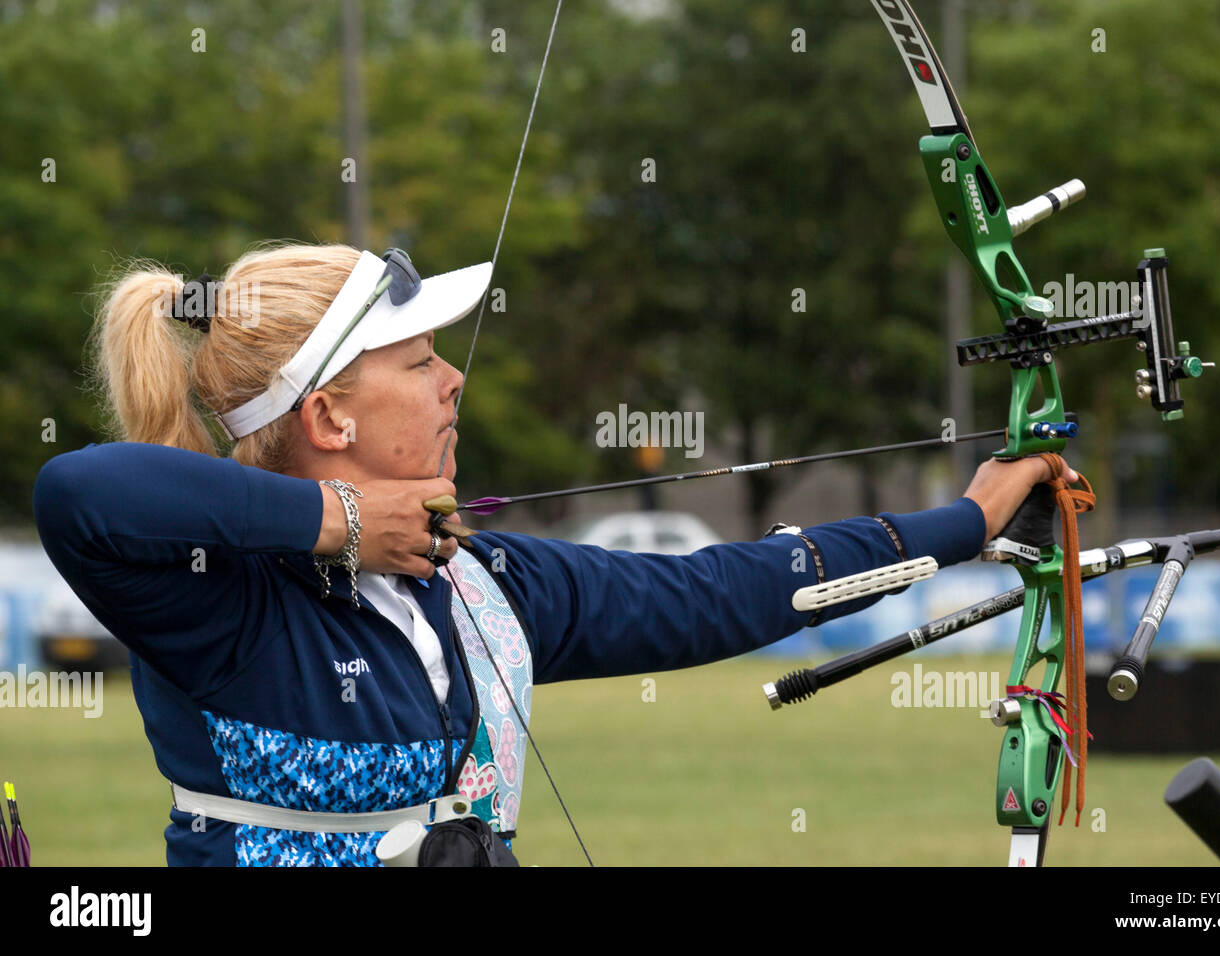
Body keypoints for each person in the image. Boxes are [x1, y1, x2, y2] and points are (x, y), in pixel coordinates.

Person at [33, 242, 1069, 866]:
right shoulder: (220, 603)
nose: (454, 381)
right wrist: (342, 523)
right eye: (419, 359)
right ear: (329, 417)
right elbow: (80, 493)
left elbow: (725, 588)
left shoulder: (482, 581)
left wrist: (965, 522)